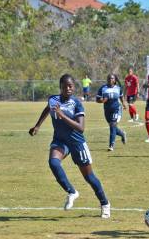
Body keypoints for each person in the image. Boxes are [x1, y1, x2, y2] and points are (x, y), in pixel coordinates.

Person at [29, 74, 110, 218]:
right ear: (60, 87)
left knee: (89, 177)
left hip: (77, 143)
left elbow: (81, 127)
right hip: (60, 140)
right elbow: (48, 109)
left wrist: (62, 115)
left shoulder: (76, 103)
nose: (68, 88)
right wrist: (37, 126)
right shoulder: (53, 99)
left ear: (74, 87)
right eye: (65, 86)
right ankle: (72, 192)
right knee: (53, 163)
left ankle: (105, 204)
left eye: (70, 86)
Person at [96, 73, 127, 151]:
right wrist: (102, 101)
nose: (110, 80)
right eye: (109, 78)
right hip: (107, 110)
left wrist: (124, 104)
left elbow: (121, 97)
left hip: (116, 109)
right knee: (113, 127)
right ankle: (122, 134)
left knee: (113, 125)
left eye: (112, 78)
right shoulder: (103, 88)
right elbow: (97, 99)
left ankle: (111, 145)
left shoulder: (118, 88)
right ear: (107, 80)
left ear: (115, 80)